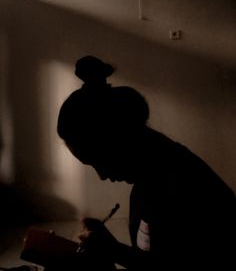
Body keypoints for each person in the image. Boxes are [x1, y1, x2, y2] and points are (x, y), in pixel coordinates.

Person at [57, 55, 236, 270]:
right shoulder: (156, 173)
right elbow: (157, 256)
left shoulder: (177, 184)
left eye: (99, 161)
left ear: (119, 139)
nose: (102, 175)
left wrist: (113, 251)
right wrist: (111, 246)